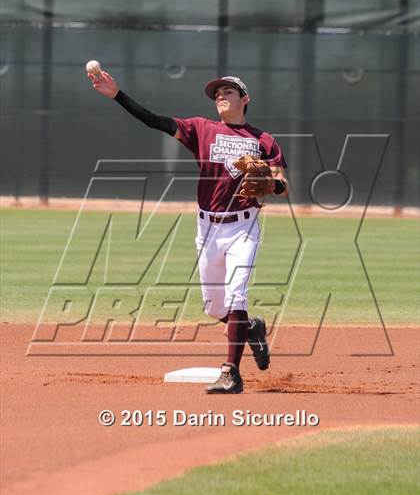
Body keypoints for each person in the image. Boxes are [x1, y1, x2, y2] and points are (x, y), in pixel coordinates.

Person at [87, 71, 288, 394]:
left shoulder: (262, 140)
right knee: (214, 308)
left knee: (237, 295)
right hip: (207, 227)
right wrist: (117, 95)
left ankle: (231, 373)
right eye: (217, 93)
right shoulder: (201, 129)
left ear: (245, 99)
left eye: (228, 91)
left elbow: (282, 184)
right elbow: (154, 121)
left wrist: (272, 184)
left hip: (243, 226)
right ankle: (251, 328)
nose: (221, 96)